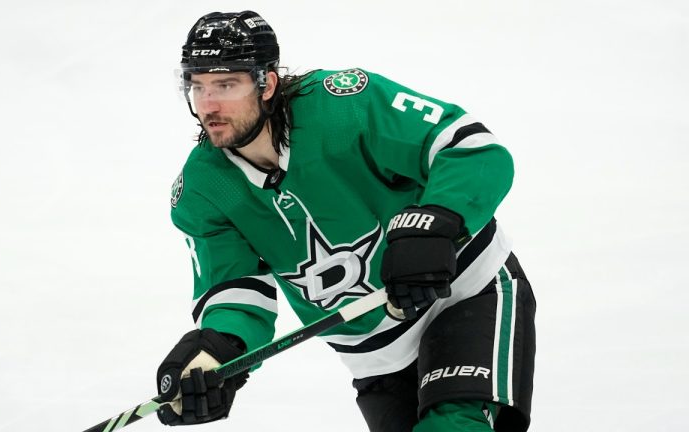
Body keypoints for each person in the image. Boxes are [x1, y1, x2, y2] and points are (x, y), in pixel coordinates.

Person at [156, 10, 536, 432]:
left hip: (465, 292)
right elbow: (236, 293)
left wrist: (439, 222)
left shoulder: (345, 107)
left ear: (267, 83)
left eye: (226, 84)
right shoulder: (202, 191)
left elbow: (471, 148)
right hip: (375, 356)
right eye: (198, 85)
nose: (208, 104)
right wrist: (214, 353)